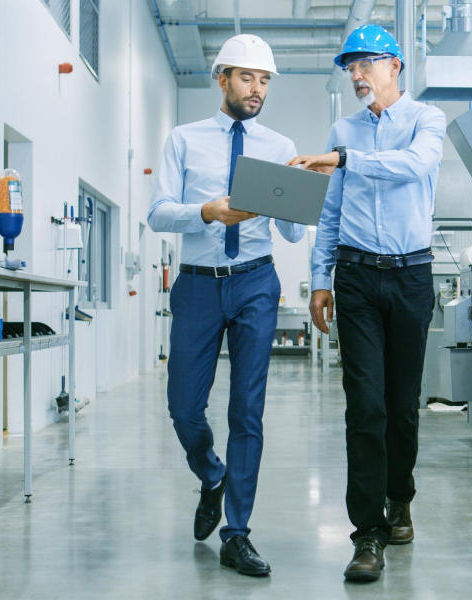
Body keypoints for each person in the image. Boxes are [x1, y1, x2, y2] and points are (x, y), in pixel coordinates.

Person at [288, 24, 446, 582]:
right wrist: (319, 277)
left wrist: (345, 159)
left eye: (365, 64)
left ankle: (400, 497)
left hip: (411, 276)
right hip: (355, 277)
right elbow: (331, 212)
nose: (355, 75)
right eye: (349, 67)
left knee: (402, 407)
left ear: (394, 66)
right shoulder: (343, 130)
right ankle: (367, 534)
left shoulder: (426, 120)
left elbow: (415, 166)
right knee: (366, 407)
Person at [148, 34, 305, 577]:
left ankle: (237, 533)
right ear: (222, 79)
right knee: (184, 407)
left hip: (257, 281)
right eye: (247, 78)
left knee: (247, 410)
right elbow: (158, 213)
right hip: (197, 284)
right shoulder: (184, 140)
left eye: (264, 80)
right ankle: (211, 474)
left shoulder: (279, 144)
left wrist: (304, 192)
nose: (257, 89)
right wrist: (208, 212)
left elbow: (288, 232)